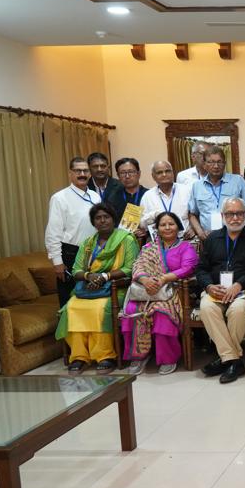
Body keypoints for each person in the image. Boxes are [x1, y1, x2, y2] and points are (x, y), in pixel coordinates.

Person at [55, 203, 139, 374]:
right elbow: (76, 270)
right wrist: (89, 276)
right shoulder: (88, 243)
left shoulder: (127, 239)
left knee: (100, 309)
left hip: (115, 288)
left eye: (106, 217)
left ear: (113, 219)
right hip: (88, 288)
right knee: (71, 308)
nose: (102, 221)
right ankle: (79, 356)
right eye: (98, 218)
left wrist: (104, 277)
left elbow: (130, 268)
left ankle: (105, 356)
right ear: (93, 222)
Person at [196, 197, 245, 384]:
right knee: (207, 308)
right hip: (216, 291)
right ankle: (234, 360)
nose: (235, 218)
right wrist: (209, 286)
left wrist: (239, 284)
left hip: (243, 290)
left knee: (238, 310)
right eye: (230, 214)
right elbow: (201, 269)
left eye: (239, 213)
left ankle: (226, 359)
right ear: (222, 216)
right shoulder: (212, 239)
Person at [121, 211, 199, 375]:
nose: (167, 227)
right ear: (157, 229)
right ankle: (139, 356)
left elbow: (188, 268)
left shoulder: (186, 247)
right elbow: (138, 266)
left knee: (161, 312)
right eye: (163, 225)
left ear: (178, 227)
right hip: (146, 291)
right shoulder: (148, 248)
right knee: (131, 310)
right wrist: (145, 280)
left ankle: (168, 358)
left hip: (173, 292)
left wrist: (164, 279)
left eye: (171, 224)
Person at [46, 157, 102, 306]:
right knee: (69, 300)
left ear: (90, 173)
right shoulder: (59, 198)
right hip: (71, 254)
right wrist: (57, 262)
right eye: (78, 171)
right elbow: (53, 233)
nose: (82, 174)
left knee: (91, 298)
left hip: (94, 253)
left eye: (85, 171)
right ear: (70, 173)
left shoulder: (95, 196)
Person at [188, 145, 245, 240]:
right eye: (211, 162)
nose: (216, 166)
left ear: (225, 163)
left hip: (236, 236)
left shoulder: (237, 180)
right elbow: (192, 214)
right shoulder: (197, 186)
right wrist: (199, 232)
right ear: (204, 164)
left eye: (219, 162)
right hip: (208, 238)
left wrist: (241, 222)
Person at [140, 160, 193, 240]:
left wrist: (193, 229)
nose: (164, 174)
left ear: (173, 173)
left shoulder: (187, 191)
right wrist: (155, 215)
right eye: (159, 172)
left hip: (185, 239)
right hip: (159, 241)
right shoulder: (147, 196)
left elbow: (197, 214)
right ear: (153, 176)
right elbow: (142, 223)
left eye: (167, 171)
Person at [106, 157, 149, 241]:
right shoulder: (112, 197)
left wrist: (146, 231)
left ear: (139, 174)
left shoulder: (149, 195)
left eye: (131, 172)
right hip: (121, 242)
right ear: (118, 176)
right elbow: (109, 223)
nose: (127, 176)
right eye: (123, 173)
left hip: (146, 243)